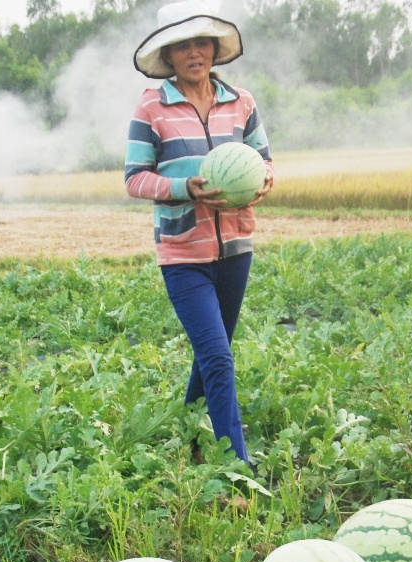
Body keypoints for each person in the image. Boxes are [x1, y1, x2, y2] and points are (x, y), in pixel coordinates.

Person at [125, 0, 276, 470]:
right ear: (168, 56)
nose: (195, 52)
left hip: (235, 249)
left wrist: (256, 187)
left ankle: (190, 434)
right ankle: (235, 462)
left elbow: (266, 165)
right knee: (218, 356)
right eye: (182, 45)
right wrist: (183, 188)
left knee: (213, 353)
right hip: (182, 254)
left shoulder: (241, 101)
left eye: (202, 42)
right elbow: (135, 178)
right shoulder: (152, 106)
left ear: (214, 48)